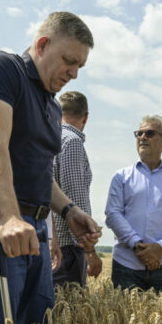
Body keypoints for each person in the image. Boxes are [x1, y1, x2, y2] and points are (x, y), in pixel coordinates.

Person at [0, 11, 101, 324]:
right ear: (43, 44)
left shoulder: (51, 106)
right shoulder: (4, 68)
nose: (74, 73)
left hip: (34, 228)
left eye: (80, 66)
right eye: (69, 61)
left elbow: (39, 172)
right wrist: (8, 217)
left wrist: (69, 210)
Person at [105, 115, 162, 292]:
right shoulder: (121, 177)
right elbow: (113, 214)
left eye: (149, 133)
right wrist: (138, 246)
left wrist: (160, 248)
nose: (142, 138)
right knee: (124, 319)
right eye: (139, 134)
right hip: (125, 265)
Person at [52, 91, 102, 288]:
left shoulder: (50, 138)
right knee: (71, 311)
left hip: (53, 243)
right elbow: (75, 199)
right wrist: (89, 250)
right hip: (68, 247)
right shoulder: (71, 141)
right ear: (86, 117)